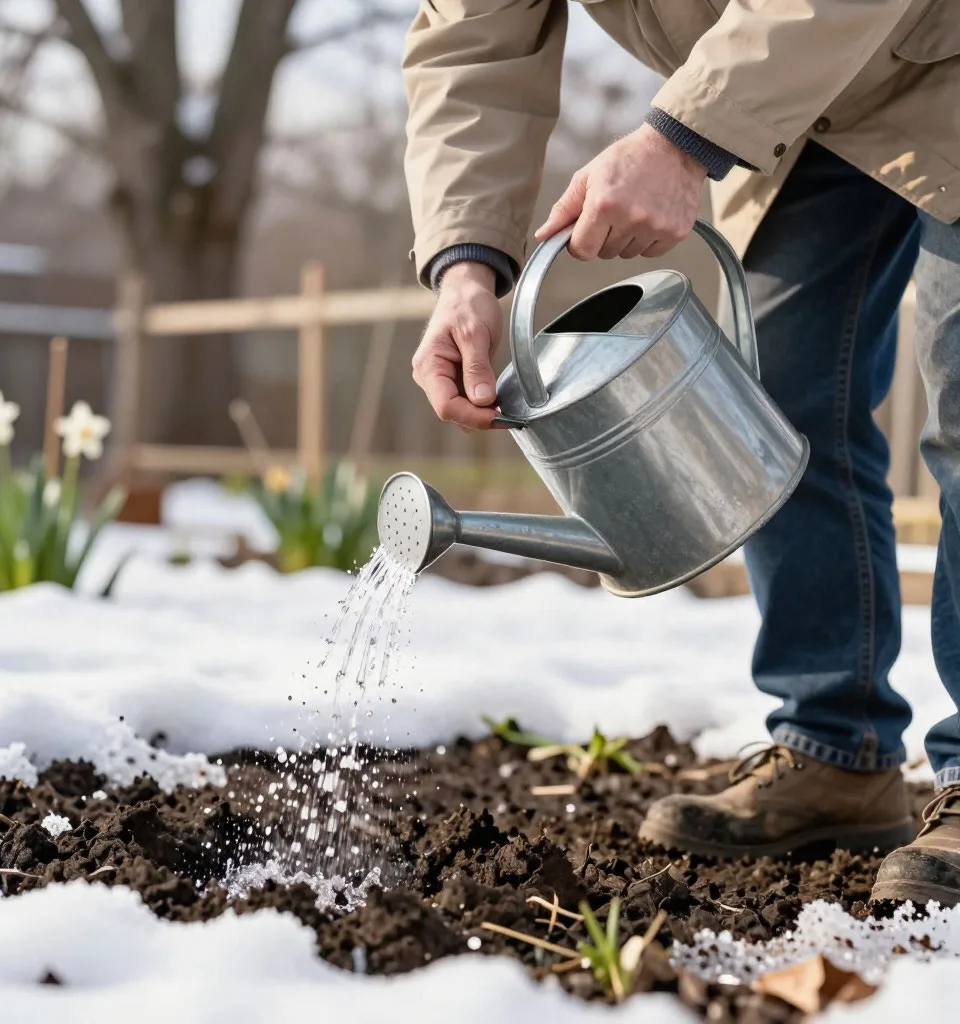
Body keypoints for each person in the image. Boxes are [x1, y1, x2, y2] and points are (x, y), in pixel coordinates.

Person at [401, 0, 960, 906]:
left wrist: (681, 137)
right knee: (766, 393)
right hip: (796, 97)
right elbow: (472, 42)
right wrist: (469, 269)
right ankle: (835, 752)